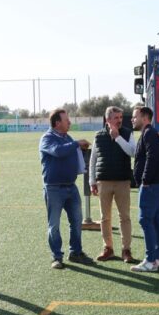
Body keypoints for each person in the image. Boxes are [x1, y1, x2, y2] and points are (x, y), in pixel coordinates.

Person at [39, 109, 94, 269]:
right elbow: (57, 151)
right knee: (54, 225)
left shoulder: (67, 137)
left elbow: (70, 151)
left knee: (76, 221)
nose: (69, 122)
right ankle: (56, 256)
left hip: (71, 187)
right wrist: (76, 143)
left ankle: (75, 252)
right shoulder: (47, 138)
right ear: (57, 123)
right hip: (53, 188)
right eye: (66, 120)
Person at [89, 106, 138, 263]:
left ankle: (126, 250)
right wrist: (92, 181)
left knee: (125, 217)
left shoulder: (127, 133)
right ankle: (108, 248)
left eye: (120, 117)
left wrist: (117, 137)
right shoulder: (98, 136)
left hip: (123, 181)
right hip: (103, 181)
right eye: (116, 117)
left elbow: (132, 152)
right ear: (108, 119)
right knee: (105, 218)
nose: (119, 120)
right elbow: (93, 160)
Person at [130, 106, 159, 272]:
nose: (132, 119)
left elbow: (152, 157)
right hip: (155, 183)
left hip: (151, 185)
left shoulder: (149, 133)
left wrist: (145, 180)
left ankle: (151, 260)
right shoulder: (149, 133)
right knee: (156, 219)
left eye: (135, 116)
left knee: (145, 220)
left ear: (145, 117)